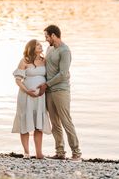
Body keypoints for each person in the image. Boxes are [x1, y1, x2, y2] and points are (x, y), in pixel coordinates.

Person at [38, 25, 82, 162]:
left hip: (61, 90)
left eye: (47, 36)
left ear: (53, 35)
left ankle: (76, 153)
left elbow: (63, 74)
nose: (45, 39)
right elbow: (46, 66)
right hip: (49, 91)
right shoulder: (50, 49)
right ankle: (60, 152)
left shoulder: (65, 51)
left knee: (66, 121)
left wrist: (46, 84)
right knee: (55, 123)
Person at [12, 39, 51, 159]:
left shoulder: (45, 61)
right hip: (26, 96)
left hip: (40, 97)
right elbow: (18, 80)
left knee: (38, 124)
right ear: (32, 48)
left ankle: (39, 153)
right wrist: (27, 90)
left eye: (40, 44)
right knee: (25, 122)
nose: (41, 46)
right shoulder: (25, 61)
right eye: (38, 45)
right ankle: (26, 152)